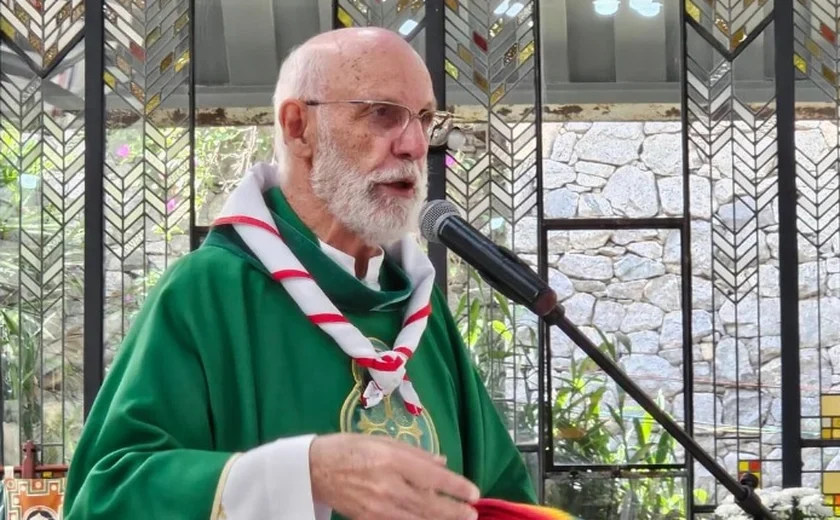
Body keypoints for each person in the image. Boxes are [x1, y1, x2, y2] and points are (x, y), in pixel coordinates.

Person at [63, 27, 537, 520]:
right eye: (382, 113)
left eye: (424, 118)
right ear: (297, 127)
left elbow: (501, 497)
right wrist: (300, 474)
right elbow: (107, 495)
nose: (415, 145)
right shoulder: (207, 292)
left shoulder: (419, 309)